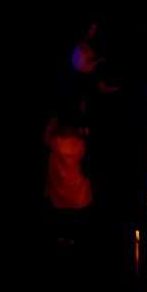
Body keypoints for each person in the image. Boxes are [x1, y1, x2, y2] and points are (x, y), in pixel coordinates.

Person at [45, 103, 95, 248]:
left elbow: (46, 138)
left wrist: (51, 123)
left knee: (60, 213)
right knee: (77, 215)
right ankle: (74, 237)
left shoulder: (55, 141)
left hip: (59, 185)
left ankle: (62, 236)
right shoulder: (81, 141)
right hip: (78, 187)